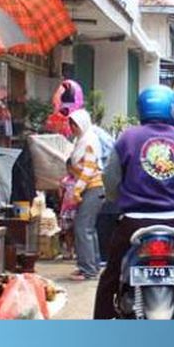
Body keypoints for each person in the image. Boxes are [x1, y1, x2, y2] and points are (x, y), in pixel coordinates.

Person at [93, 85, 174, 319]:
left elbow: (110, 182)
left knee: (111, 274)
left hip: (133, 224)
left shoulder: (127, 137)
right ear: (173, 109)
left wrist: (115, 197)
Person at [66, 109, 105, 280]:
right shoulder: (81, 140)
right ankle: (91, 266)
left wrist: (77, 190)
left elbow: (89, 169)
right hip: (92, 188)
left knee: (82, 228)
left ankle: (88, 269)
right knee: (89, 228)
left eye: (74, 124)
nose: (72, 128)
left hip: (93, 188)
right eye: (71, 124)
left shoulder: (88, 141)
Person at [59, 159, 78, 260]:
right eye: (69, 168)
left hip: (77, 208)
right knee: (67, 230)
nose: (71, 170)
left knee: (77, 230)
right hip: (66, 209)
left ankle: (76, 250)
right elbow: (61, 192)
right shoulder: (65, 180)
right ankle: (69, 250)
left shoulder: (80, 180)